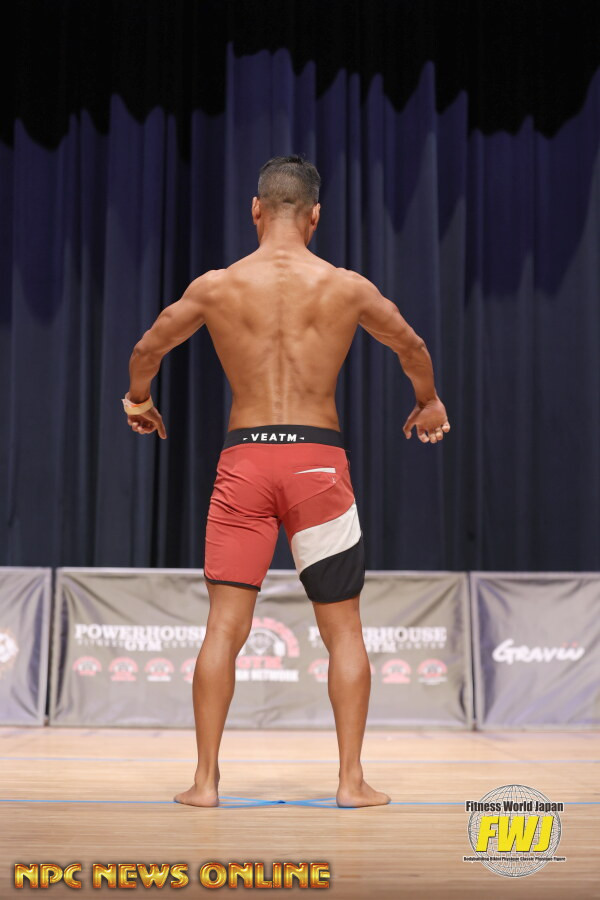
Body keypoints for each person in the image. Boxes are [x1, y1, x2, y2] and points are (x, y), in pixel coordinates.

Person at [123, 156, 450, 808]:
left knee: (223, 627)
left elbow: (147, 349)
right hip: (316, 466)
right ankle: (351, 782)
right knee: (344, 630)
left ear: (256, 210)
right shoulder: (345, 287)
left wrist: (139, 400)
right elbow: (411, 346)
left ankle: (205, 783)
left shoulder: (217, 287)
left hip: (244, 463)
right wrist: (429, 402)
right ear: (315, 216)